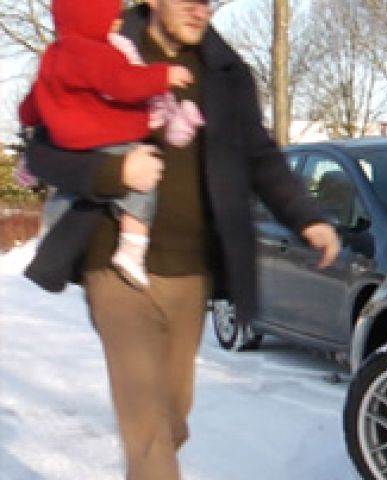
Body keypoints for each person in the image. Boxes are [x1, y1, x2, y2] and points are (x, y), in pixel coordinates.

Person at [23, 0, 340, 478]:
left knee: (171, 417)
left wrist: (306, 217)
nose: (201, 8)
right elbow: (42, 154)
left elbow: (260, 156)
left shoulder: (228, 73)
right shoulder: (97, 47)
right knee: (146, 423)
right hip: (115, 264)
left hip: (191, 272)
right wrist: (113, 171)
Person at [19, 0, 202, 289]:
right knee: (143, 181)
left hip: (67, 141)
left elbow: (32, 104)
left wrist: (28, 116)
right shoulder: (96, 52)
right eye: (112, 18)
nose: (118, 23)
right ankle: (133, 246)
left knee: (66, 195)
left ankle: (50, 243)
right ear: (89, 21)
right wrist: (163, 76)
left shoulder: (53, 55)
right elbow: (122, 82)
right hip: (105, 135)